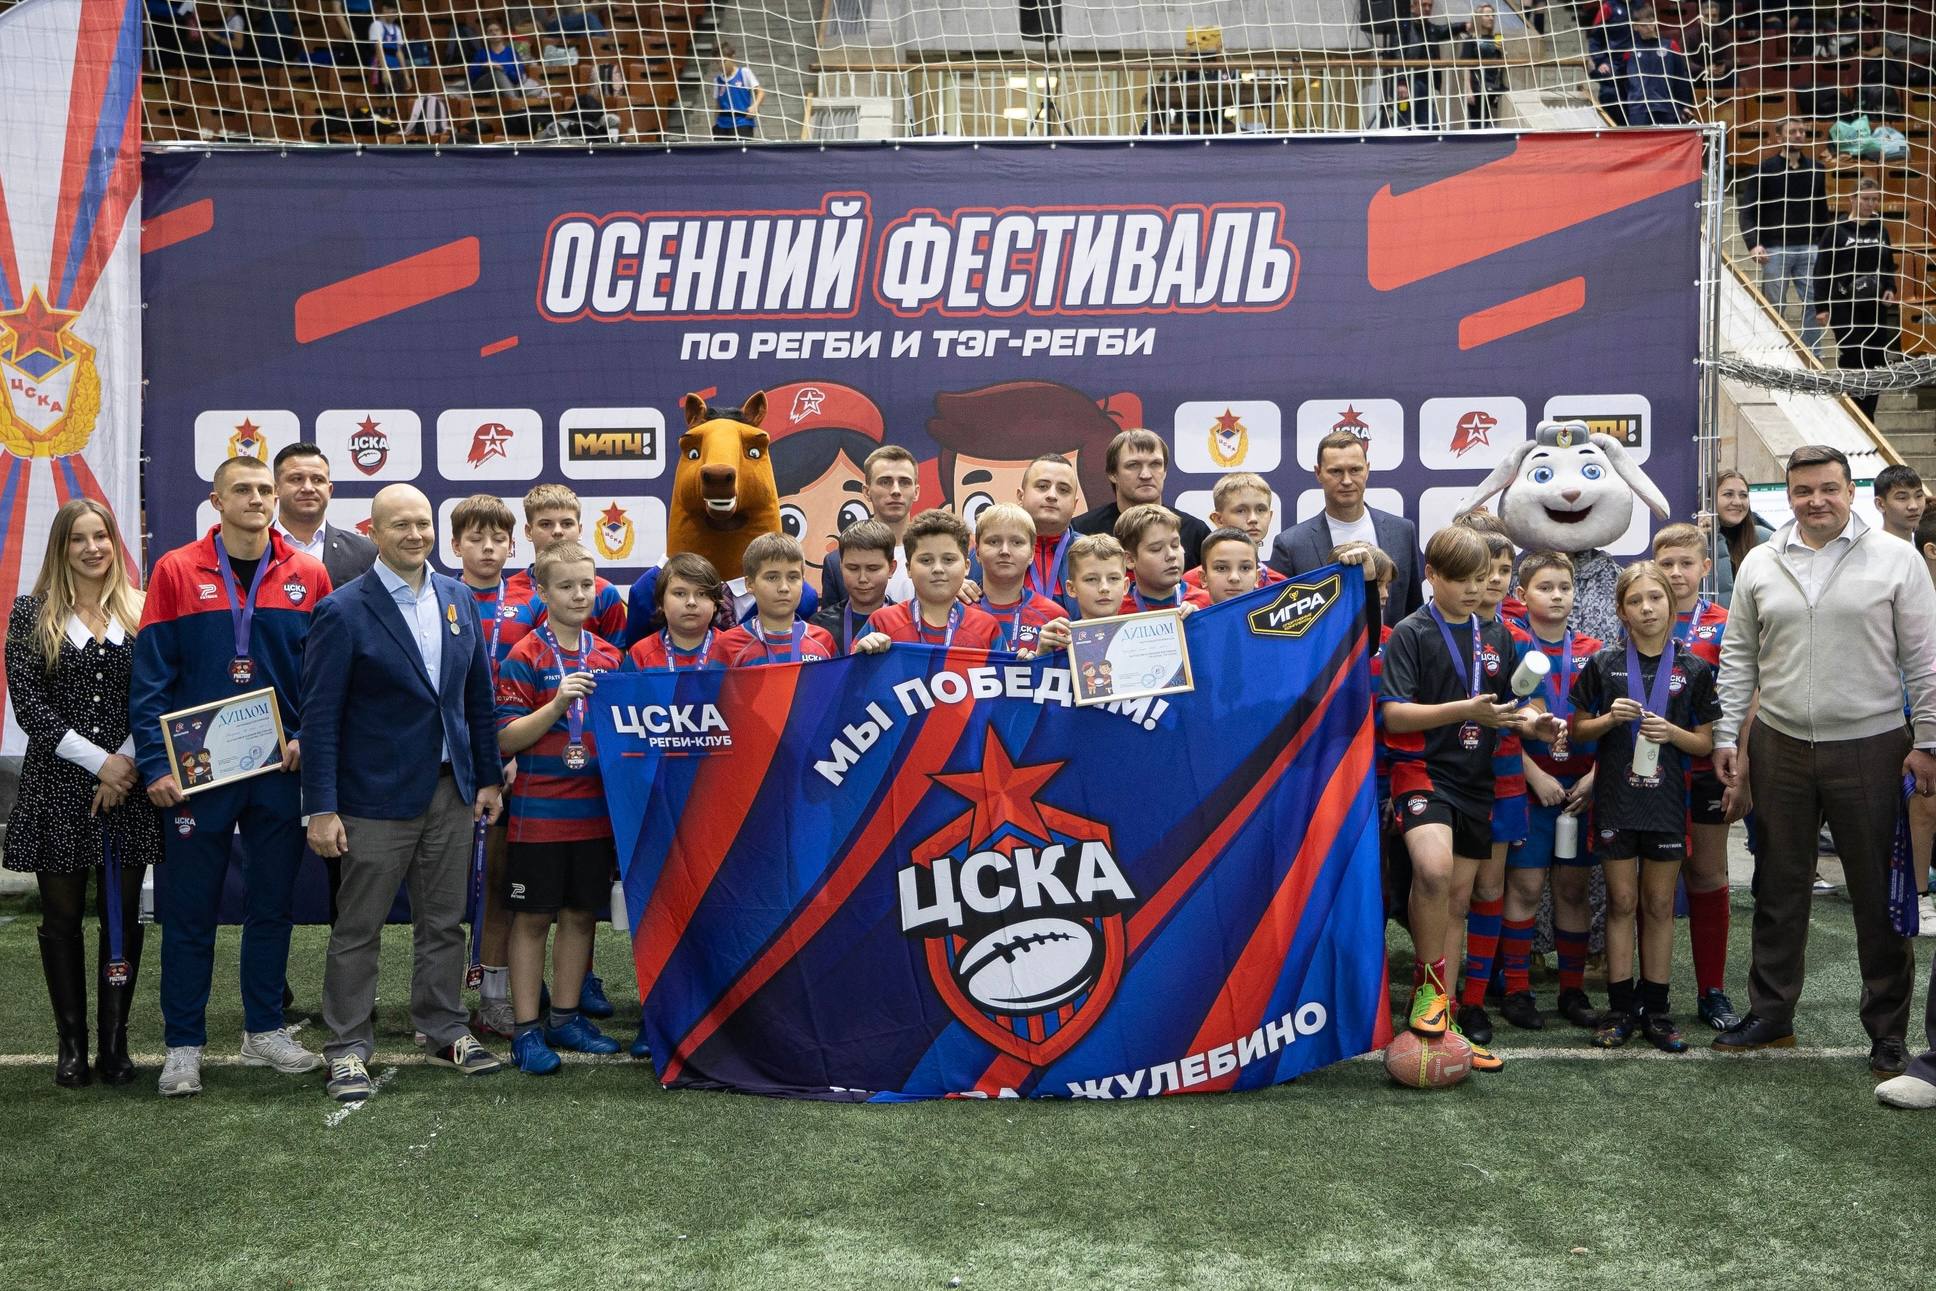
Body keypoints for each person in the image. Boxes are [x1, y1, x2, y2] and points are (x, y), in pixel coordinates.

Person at [1713, 444, 1936, 1082]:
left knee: (1876, 895)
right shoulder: (1761, 560)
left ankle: (1887, 1033)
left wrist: (1928, 741)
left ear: (1851, 491)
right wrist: (1728, 737)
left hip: (1873, 744)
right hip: (1779, 744)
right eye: (1803, 490)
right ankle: (1771, 1015)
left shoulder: (1896, 558)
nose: (1816, 501)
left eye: (1828, 488)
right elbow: (1739, 657)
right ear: (1788, 495)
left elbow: (1925, 658)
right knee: (1777, 887)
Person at [130, 456, 331, 1098]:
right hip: (196, 773)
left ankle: (263, 1029)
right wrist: (155, 764)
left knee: (271, 905)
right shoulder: (175, 569)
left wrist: (305, 736)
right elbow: (151, 674)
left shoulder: (308, 573)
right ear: (216, 501)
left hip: (278, 769)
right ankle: (183, 1045)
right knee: (190, 911)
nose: (257, 499)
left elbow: (323, 675)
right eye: (242, 489)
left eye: (264, 489)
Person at [302, 485, 507, 1101]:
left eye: (423, 523)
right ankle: (346, 1047)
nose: (415, 535)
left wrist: (487, 776)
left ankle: (444, 1027)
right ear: (374, 532)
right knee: (358, 927)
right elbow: (320, 718)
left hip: (451, 793)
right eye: (400, 525)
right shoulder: (342, 610)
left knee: (443, 923)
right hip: (372, 801)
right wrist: (321, 808)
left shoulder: (458, 598)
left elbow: (476, 698)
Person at [1379, 525, 1558, 1072]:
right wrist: (1465, 710)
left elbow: (1512, 706)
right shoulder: (1410, 632)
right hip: (1421, 772)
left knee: (1457, 902)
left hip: (1476, 781)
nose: (1473, 589)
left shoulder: (1498, 634)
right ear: (1432, 576)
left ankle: (1446, 1017)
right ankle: (1427, 995)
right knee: (1433, 872)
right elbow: (1394, 715)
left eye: (1480, 579)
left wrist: (1535, 723)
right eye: (1460, 580)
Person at [4, 500, 161, 1087]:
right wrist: (101, 765)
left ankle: (115, 1045)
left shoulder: (142, 608)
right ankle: (71, 1045)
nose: (93, 548)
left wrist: (126, 762)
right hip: (57, 785)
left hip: (130, 783)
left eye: (102, 537)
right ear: (60, 547)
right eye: (78, 539)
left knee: (122, 914)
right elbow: (29, 707)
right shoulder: (31, 613)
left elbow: (158, 693)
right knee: (62, 916)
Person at [1567, 562, 1719, 1052]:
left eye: (1655, 598)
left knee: (1658, 904)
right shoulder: (1603, 663)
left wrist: (1672, 733)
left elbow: (1704, 744)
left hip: (1667, 802)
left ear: (1671, 605)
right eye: (1635, 601)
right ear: (1622, 610)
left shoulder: (1693, 668)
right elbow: (1577, 730)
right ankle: (1619, 1009)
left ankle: (1656, 1010)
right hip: (1615, 800)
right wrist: (1609, 720)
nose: (1647, 608)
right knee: (1621, 902)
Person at [494, 541, 626, 1075]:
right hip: (538, 815)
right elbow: (505, 739)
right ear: (543, 593)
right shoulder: (525, 655)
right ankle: (527, 1029)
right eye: (566, 586)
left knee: (579, 916)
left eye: (586, 585)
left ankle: (566, 1017)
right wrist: (557, 704)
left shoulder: (610, 657)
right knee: (531, 919)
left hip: (594, 814)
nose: (578, 594)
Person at [1503, 551, 1602, 1030]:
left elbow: (1612, 722)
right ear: (1522, 595)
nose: (1557, 596)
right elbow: (1501, 720)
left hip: (1579, 788)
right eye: (1545, 588)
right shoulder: (1509, 644)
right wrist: (1533, 776)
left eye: (1565, 587)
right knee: (1524, 886)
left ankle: (1572, 990)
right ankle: (1516, 990)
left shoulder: (1594, 650)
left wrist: (1596, 776)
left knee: (1573, 888)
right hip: (1529, 785)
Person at [1652, 523, 1742, 1029]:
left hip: (1707, 767)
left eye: (1686, 563)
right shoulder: (1639, 617)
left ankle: (1712, 991)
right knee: (1653, 884)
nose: (1676, 573)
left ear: (1705, 567)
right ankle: (1651, 992)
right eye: (1666, 563)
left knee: (1706, 876)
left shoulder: (1725, 623)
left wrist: (1740, 759)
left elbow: (1745, 694)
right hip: (1648, 771)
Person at [447, 494, 524, 1039]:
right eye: (475, 538)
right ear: (455, 546)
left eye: (498, 539)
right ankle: (439, 1000)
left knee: (499, 881)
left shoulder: (530, 602)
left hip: (511, 762)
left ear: (513, 546)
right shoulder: (437, 597)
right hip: (451, 760)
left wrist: (512, 754)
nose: (488, 548)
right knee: (443, 890)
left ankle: (494, 998)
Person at [1449, 526, 1526, 1047]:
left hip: (1502, 774)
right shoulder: (1428, 629)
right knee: (1452, 893)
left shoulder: (1509, 636)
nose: (1491, 581)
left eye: (1501, 571)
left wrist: (1537, 720)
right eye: (1481, 572)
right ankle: (1443, 997)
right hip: (1450, 777)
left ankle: (1475, 999)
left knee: (1490, 888)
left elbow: (1528, 705)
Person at [1270, 430, 1423, 625]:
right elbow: (1279, 623)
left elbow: (1414, 613)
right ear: (1318, 473)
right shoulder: (1291, 545)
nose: (1347, 480)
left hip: (1391, 645)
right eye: (1336, 471)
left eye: (1355, 470)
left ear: (1367, 469)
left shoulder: (1402, 531)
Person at [1740, 117, 1831, 356]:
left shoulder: (1817, 169)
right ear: (1779, 137)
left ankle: (1811, 354)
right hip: (1774, 249)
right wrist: (1753, 244)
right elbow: (1747, 210)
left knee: (1815, 301)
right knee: (1773, 305)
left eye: (1802, 131)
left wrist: (1825, 247)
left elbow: (1821, 211)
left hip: (1809, 247)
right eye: (1793, 131)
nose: (1799, 135)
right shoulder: (1764, 169)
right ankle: (1774, 352)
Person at [854, 511, 1005, 653]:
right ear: (908, 568)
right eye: (926, 560)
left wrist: (1018, 663)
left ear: (966, 567)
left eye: (948, 559)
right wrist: (858, 658)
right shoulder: (882, 622)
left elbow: (1007, 671)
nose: (938, 569)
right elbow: (848, 671)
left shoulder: (987, 628)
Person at [1813, 177, 1900, 422]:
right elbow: (1822, 269)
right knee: (1854, 354)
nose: (1870, 204)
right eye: (1866, 199)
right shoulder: (1836, 231)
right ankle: (1852, 410)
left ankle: (1868, 416)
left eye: (1875, 200)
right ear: (1852, 199)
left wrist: (1890, 287)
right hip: (1844, 304)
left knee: (1875, 359)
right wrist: (1821, 306)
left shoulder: (1880, 229)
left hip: (1874, 304)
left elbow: (1888, 264)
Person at [1071, 429, 1211, 570]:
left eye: (1155, 464)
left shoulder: (1195, 532)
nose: (1146, 475)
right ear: (1112, 473)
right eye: (1133, 465)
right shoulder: (1081, 531)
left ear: (1165, 471)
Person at [708, 534, 839, 666]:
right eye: (772, 578)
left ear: (803, 581)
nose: (784, 588)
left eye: (793, 577)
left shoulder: (823, 641)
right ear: (749, 584)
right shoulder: (727, 645)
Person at [818, 444, 921, 609]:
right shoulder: (836, 562)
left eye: (904, 482)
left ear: (916, 492)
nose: (896, 490)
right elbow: (831, 621)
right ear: (867, 492)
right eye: (885, 482)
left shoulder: (940, 560)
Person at [271, 443, 377, 588]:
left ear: (329, 490)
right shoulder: (252, 549)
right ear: (276, 489)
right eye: (296, 479)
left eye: (317, 480)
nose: (308, 488)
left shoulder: (366, 552)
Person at [971, 504, 1069, 653]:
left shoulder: (1054, 617)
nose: (1005, 551)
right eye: (994, 541)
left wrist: (1040, 660)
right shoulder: (955, 611)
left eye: (1016, 542)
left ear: (1031, 554)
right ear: (977, 552)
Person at [1185, 472, 1286, 595]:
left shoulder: (1280, 585)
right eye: (1241, 510)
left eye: (1261, 510)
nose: (1253, 519)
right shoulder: (1190, 584)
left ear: (1270, 516)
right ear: (1218, 519)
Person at [813, 520, 902, 654]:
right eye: (853, 568)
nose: (862, 578)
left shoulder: (908, 623)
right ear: (841, 567)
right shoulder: (819, 627)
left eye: (873, 568)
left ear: (891, 568)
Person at [629, 552, 726, 671]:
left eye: (702, 594)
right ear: (661, 602)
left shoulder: (733, 651)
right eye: (680, 593)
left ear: (715, 603)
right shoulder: (640, 655)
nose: (691, 602)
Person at [1617, 6, 1695, 126]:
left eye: (1651, 23)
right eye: (1644, 25)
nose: (1649, 27)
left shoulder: (1670, 46)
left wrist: (1684, 105)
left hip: (1666, 108)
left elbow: (1681, 78)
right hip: (1638, 110)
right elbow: (1622, 81)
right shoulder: (1630, 52)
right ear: (1635, 27)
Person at [1114, 505, 1198, 616]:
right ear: (1129, 559)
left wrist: (1201, 621)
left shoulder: (1206, 603)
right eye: (1156, 549)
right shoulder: (1115, 611)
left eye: (1175, 545)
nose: (1171, 555)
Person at [1708, 468, 1773, 609]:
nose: (1737, 502)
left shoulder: (1765, 540)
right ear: (1709, 499)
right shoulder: (1697, 541)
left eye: (1743, 495)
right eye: (1728, 494)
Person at [1457, 4, 1509, 126]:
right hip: (1478, 88)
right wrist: (1468, 90)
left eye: (1492, 15)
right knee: (1478, 124)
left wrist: (1503, 52)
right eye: (1487, 15)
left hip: (1495, 88)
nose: (1491, 18)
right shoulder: (1471, 40)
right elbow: (1465, 66)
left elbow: (1501, 65)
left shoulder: (1497, 39)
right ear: (1479, 18)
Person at [1065, 534, 1130, 623]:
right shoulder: (1061, 632)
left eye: (1113, 578)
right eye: (1091, 579)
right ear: (1072, 588)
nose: (1104, 588)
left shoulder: (1144, 629)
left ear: (1125, 586)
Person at [1196, 527, 1266, 605]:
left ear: (1257, 577)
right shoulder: (1191, 612)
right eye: (1221, 568)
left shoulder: (1271, 612)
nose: (1234, 577)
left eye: (1245, 568)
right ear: (1204, 578)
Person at [712, 43, 764, 141]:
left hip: (742, 122)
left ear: (732, 57)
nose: (720, 65)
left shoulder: (744, 73)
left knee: (742, 150)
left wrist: (755, 106)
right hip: (722, 124)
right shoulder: (717, 80)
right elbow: (718, 105)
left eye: (723, 61)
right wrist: (715, 124)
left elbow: (760, 92)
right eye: (717, 62)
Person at [1875, 464, 1926, 544]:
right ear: (1880, 504)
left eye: (1919, 496)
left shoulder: (1925, 546)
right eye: (1902, 498)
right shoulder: (1870, 549)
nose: (1914, 506)